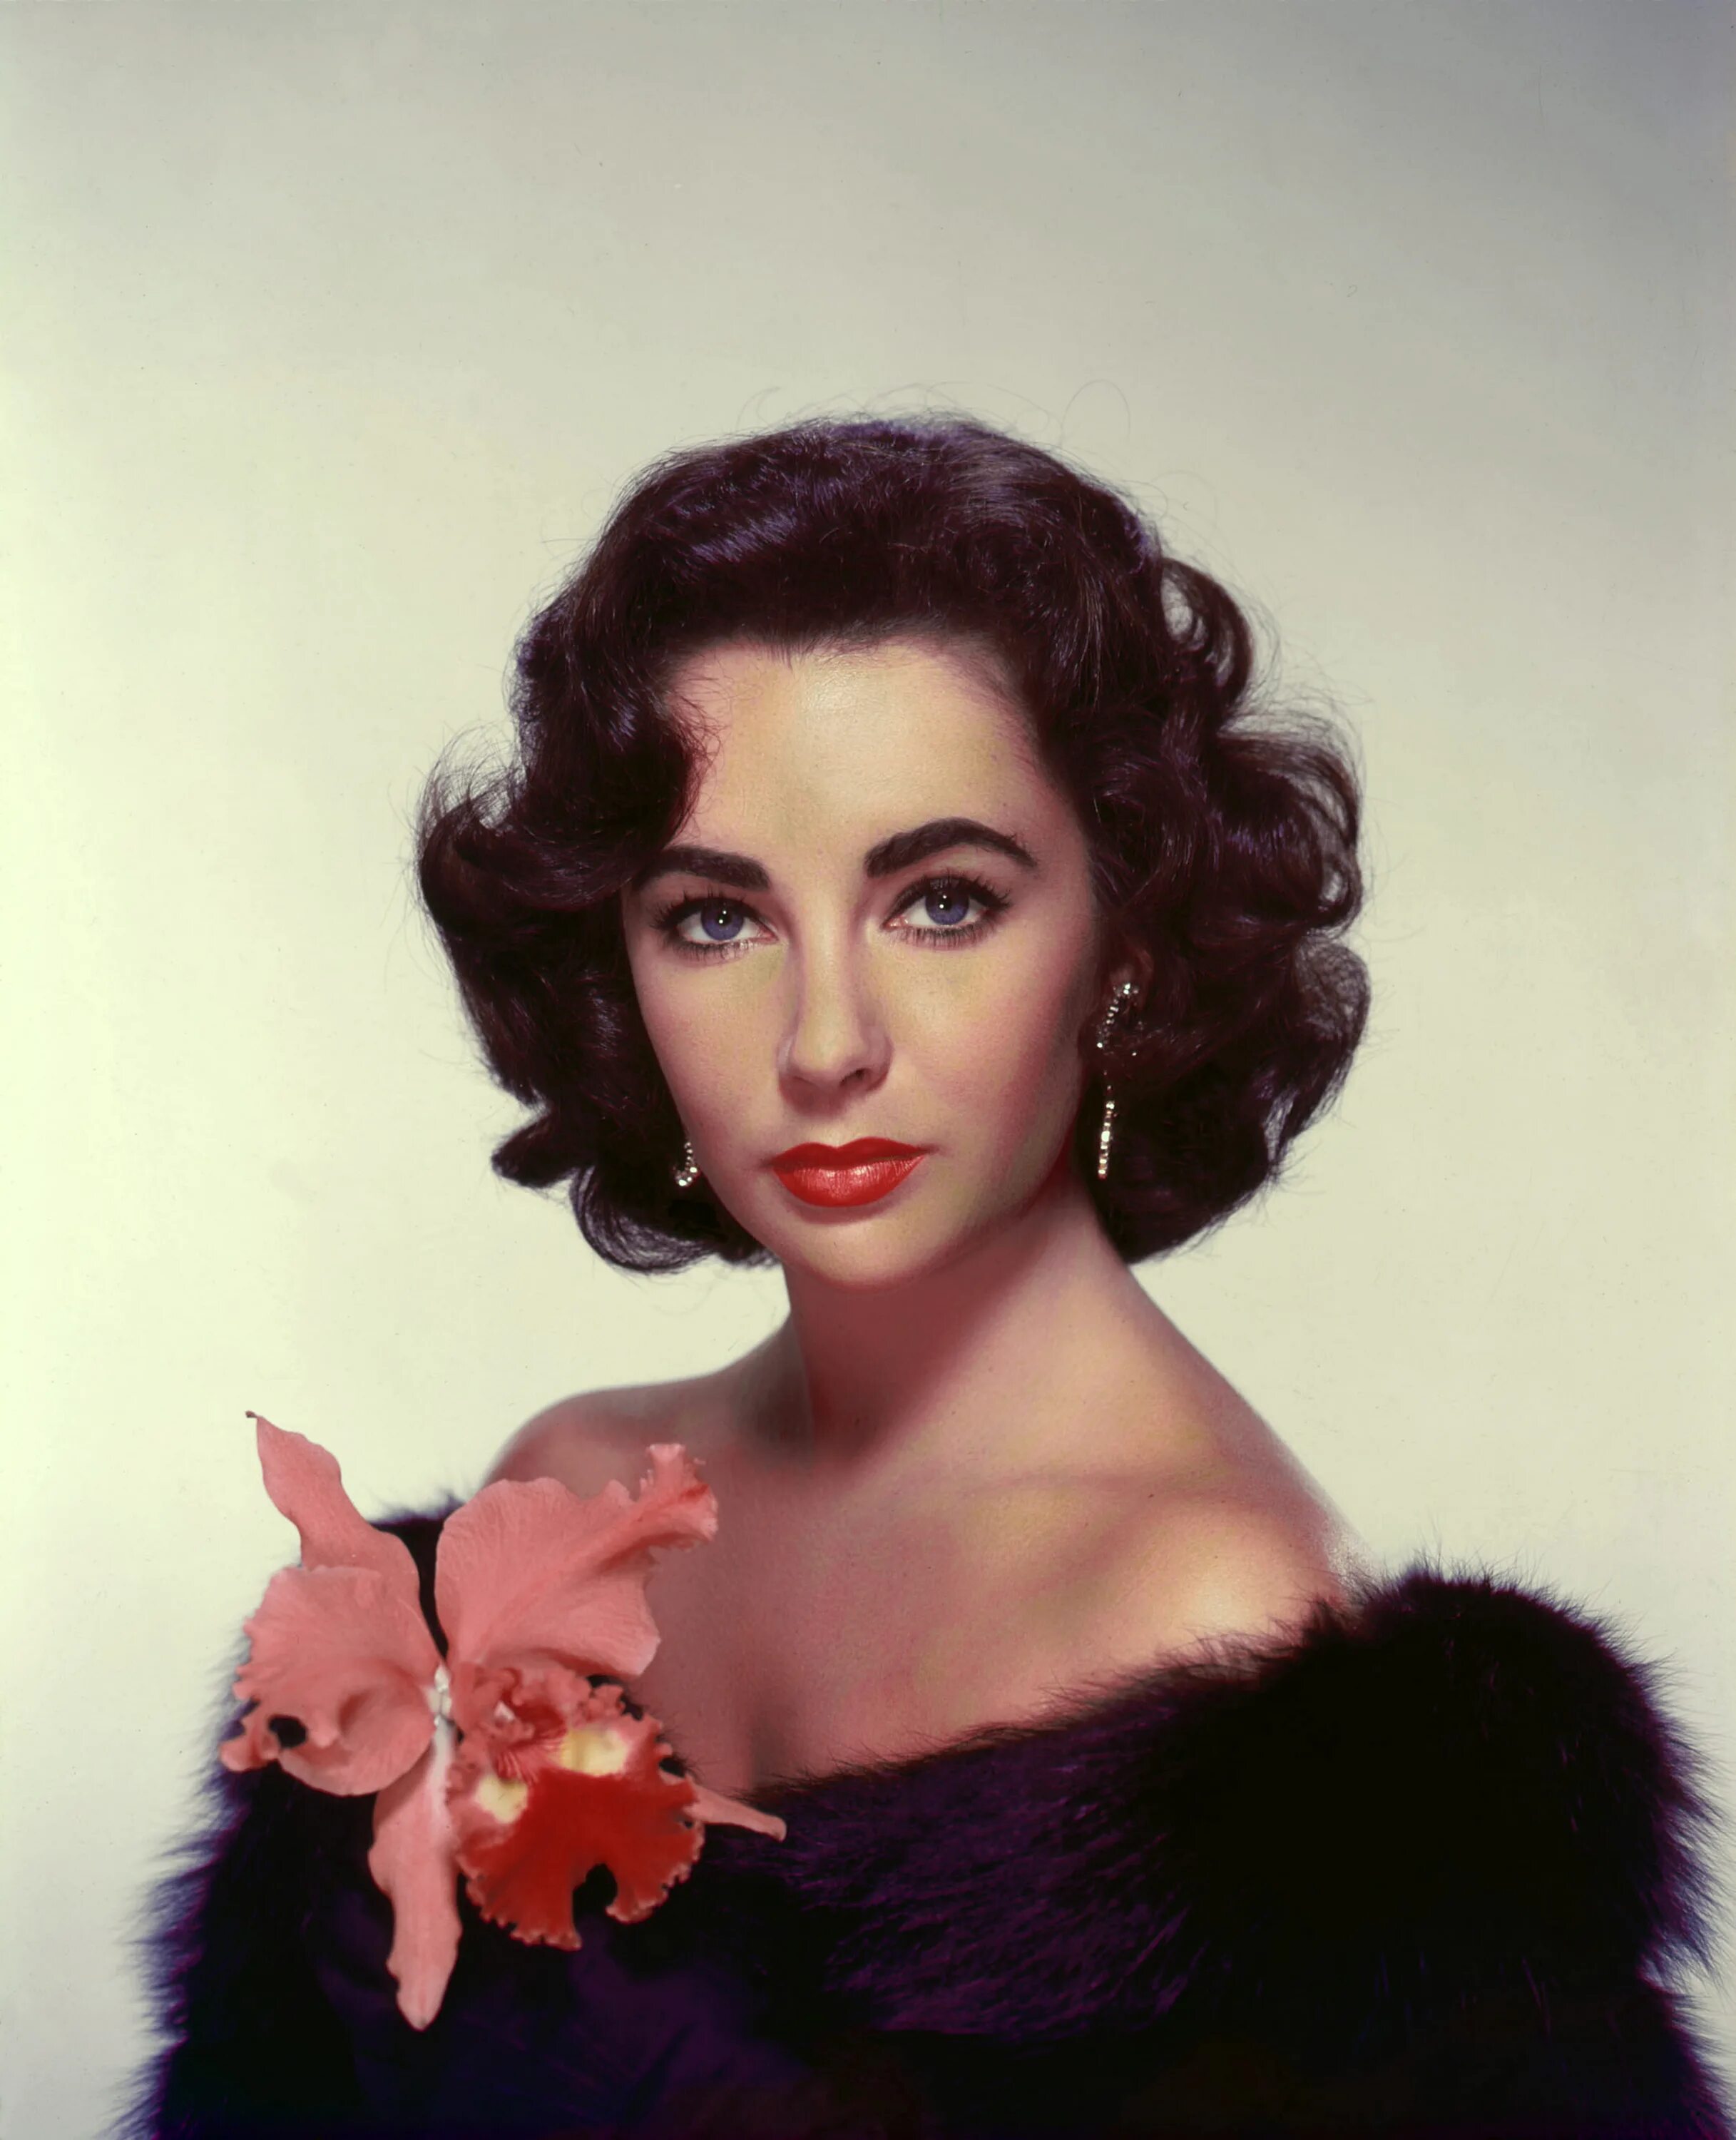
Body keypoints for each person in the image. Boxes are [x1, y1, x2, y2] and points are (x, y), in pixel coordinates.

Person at [135, 418, 1730, 2137]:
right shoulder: (564, 1502)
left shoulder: (1211, 1628)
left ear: (1126, 947)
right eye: (717, 919)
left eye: (943, 903)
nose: (824, 1043)